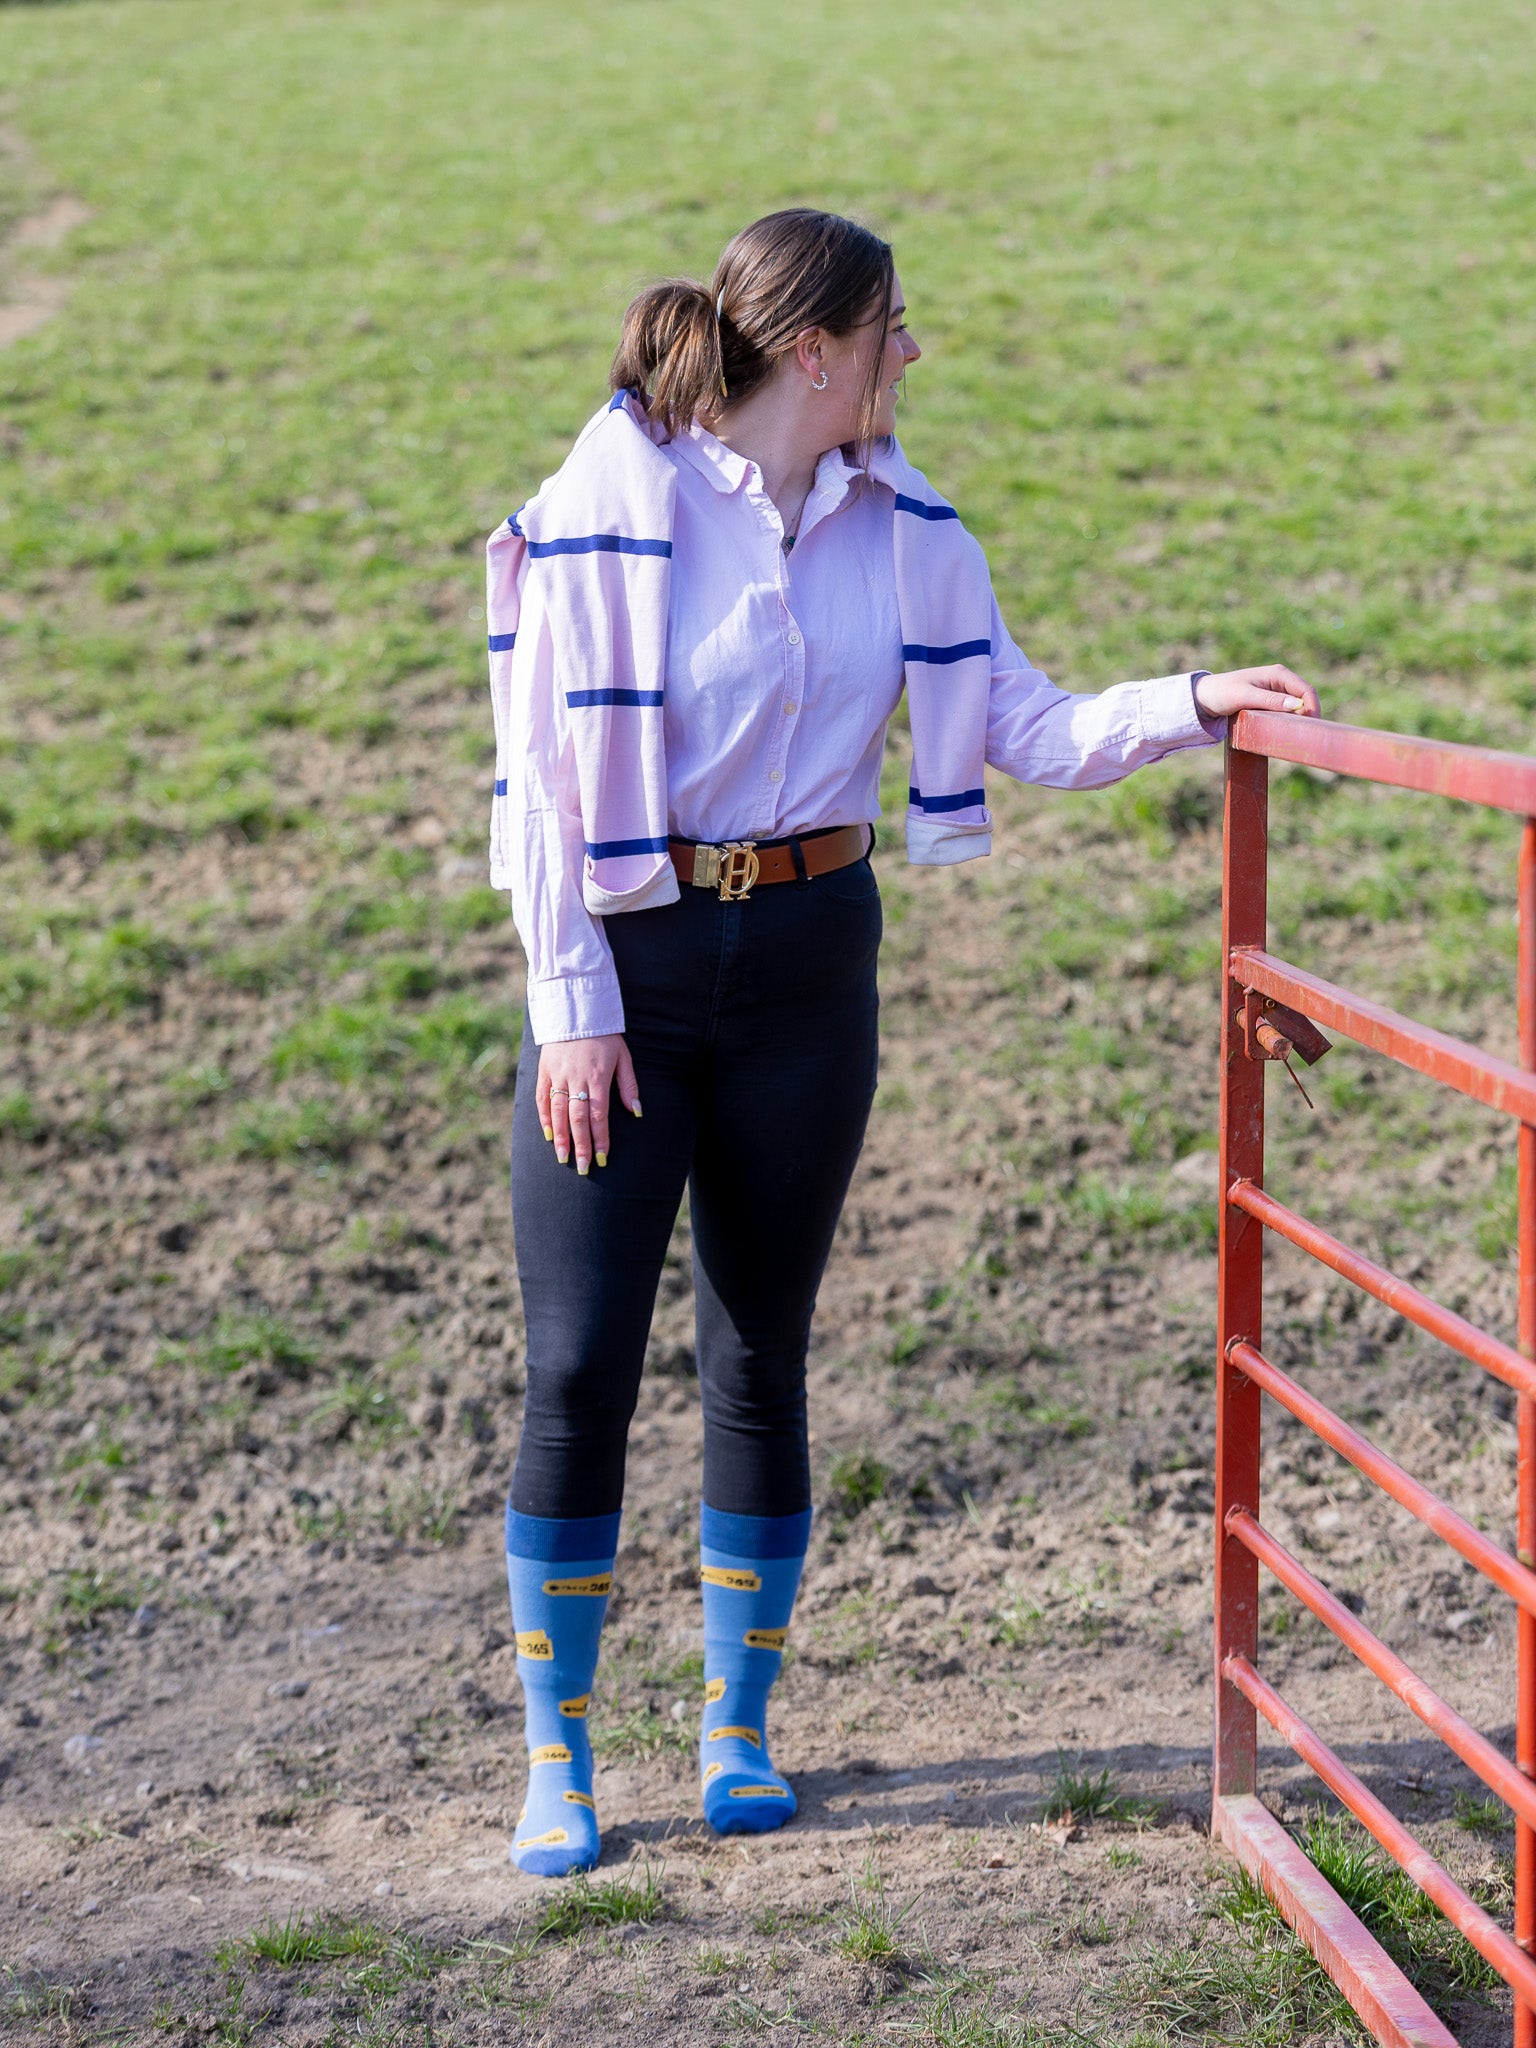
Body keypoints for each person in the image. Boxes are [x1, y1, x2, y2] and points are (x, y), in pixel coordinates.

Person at [484, 207, 1319, 1878]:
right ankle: (557, 1756)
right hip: (628, 975)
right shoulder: (609, 508)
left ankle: (736, 1729)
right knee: (578, 1365)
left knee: (757, 1351)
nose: (912, 357)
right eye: (894, 330)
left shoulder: (910, 527)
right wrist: (570, 1008)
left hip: (810, 960)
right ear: (817, 352)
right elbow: (541, 791)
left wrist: (1195, 700)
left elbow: (1018, 719)